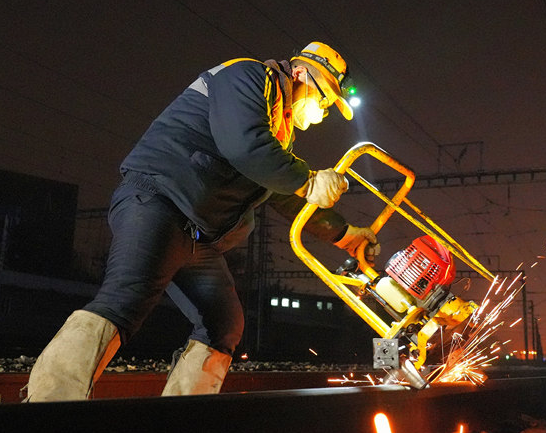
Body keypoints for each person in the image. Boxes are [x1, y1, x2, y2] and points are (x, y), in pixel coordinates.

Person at [26, 41, 379, 401]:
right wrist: (307, 179)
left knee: (223, 324)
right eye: (323, 100)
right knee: (124, 301)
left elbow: (281, 192)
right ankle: (49, 405)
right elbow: (245, 147)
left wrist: (344, 234)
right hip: (157, 201)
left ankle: (185, 416)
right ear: (301, 73)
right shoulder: (247, 76)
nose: (322, 113)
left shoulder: (276, 128)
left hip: (193, 233)